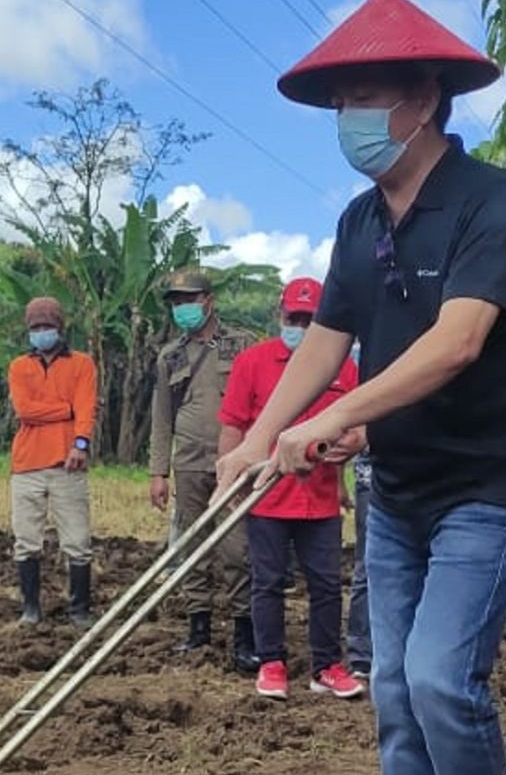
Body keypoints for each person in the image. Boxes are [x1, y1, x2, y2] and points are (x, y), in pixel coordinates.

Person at [218, 0, 506, 774]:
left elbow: (458, 343)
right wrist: (259, 443)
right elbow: (325, 342)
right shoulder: (359, 222)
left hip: (483, 489)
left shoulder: (491, 201)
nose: (347, 120)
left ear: (425, 96)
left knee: (440, 681)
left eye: (362, 98)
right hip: (394, 493)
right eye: (339, 104)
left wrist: (326, 424)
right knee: (393, 688)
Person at [218, 278, 364, 700]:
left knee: (325, 584)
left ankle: (327, 666)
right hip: (267, 496)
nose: (299, 324)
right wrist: (229, 481)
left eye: (309, 318)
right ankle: (272, 663)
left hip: (319, 500)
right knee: (266, 582)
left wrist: (347, 461)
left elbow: (355, 430)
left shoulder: (345, 368)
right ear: (279, 315)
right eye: (293, 317)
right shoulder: (252, 362)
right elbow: (232, 426)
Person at [148, 269, 258, 673]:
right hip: (189, 462)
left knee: (238, 549)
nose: (182, 309)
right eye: (176, 303)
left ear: (208, 300)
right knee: (193, 546)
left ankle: (245, 633)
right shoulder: (170, 356)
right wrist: (157, 472)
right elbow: (161, 417)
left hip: (236, 462)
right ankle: (198, 628)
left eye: (188, 300)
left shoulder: (242, 344)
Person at [7, 297, 98, 628]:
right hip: (26, 464)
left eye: (47, 327)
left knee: (77, 540)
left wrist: (80, 442)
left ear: (60, 328)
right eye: (36, 328)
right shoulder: (19, 366)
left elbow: (86, 407)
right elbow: (24, 410)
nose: (41, 333)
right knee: (26, 539)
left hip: (67, 462)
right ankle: (30, 609)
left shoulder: (82, 364)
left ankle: (79, 610)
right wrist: (65, 409)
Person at [345, 341, 372, 680]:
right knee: (369, 562)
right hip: (373, 471)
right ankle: (362, 652)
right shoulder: (357, 356)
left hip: (426, 472)